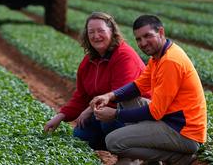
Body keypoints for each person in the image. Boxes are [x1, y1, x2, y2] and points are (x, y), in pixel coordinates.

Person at [91, 15, 206, 165]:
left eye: (147, 36)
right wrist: (110, 96)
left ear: (161, 32)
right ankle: (153, 161)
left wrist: (115, 114)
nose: (143, 43)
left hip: (184, 132)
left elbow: (155, 112)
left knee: (113, 141)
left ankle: (178, 158)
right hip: (171, 121)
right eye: (138, 39)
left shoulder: (170, 62)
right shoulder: (158, 57)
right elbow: (138, 86)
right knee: (126, 99)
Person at [43, 12, 149, 151]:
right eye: (91, 32)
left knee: (106, 120)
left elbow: (121, 95)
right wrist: (60, 116)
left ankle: (134, 154)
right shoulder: (89, 61)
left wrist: (89, 110)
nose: (96, 36)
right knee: (81, 134)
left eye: (101, 31)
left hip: (138, 114)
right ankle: (115, 147)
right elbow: (81, 96)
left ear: (112, 32)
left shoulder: (124, 56)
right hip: (105, 110)